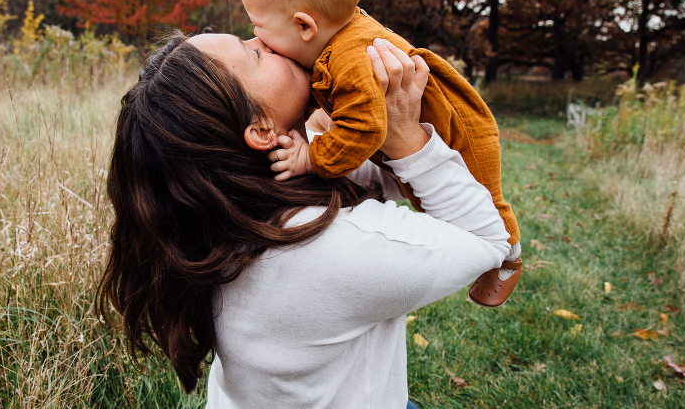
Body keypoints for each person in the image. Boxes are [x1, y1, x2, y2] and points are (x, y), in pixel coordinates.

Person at [97, 31, 512, 408]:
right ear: (260, 129)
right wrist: (405, 135)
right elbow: (487, 238)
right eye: (256, 53)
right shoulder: (334, 249)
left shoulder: (224, 213)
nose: (266, 38)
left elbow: (374, 180)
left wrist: (354, 119)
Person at [239, 0, 521, 307]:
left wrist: (311, 157)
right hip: (421, 131)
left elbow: (365, 126)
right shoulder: (329, 43)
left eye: (258, 25)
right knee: (419, 190)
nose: (255, 35)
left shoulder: (352, 57)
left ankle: (508, 257)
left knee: (486, 194)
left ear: (305, 26)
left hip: (459, 129)